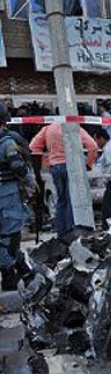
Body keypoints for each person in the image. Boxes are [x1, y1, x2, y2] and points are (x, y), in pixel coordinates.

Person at [29, 122, 98, 237]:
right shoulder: (73, 127)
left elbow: (33, 146)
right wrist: (88, 164)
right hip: (72, 167)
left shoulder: (47, 129)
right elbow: (93, 146)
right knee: (72, 200)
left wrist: (47, 162)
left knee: (61, 200)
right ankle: (71, 233)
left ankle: (61, 232)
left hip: (56, 168)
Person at [0, 105, 34, 291]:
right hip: (8, 196)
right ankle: (10, 276)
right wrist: (31, 184)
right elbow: (19, 167)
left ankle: (17, 270)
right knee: (10, 237)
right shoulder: (8, 143)